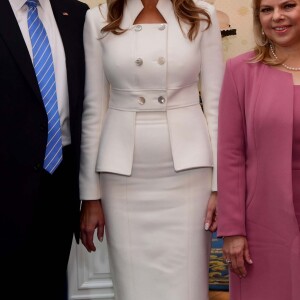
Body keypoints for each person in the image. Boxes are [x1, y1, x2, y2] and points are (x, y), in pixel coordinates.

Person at [79, 0, 224, 299]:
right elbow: (94, 109)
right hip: (123, 177)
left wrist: (219, 185)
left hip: (189, 173)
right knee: (133, 288)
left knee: (188, 286)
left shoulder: (203, 15)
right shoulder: (99, 19)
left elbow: (216, 106)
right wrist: (90, 195)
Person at [0, 0, 88, 299]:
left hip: (60, 184)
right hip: (6, 185)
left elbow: (88, 106)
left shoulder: (77, 15)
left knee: (51, 284)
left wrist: (90, 193)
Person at [217, 0, 300, 299]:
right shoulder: (241, 70)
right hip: (262, 221)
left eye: (288, 5)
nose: (277, 16)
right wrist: (233, 229)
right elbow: (230, 155)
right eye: (266, 9)